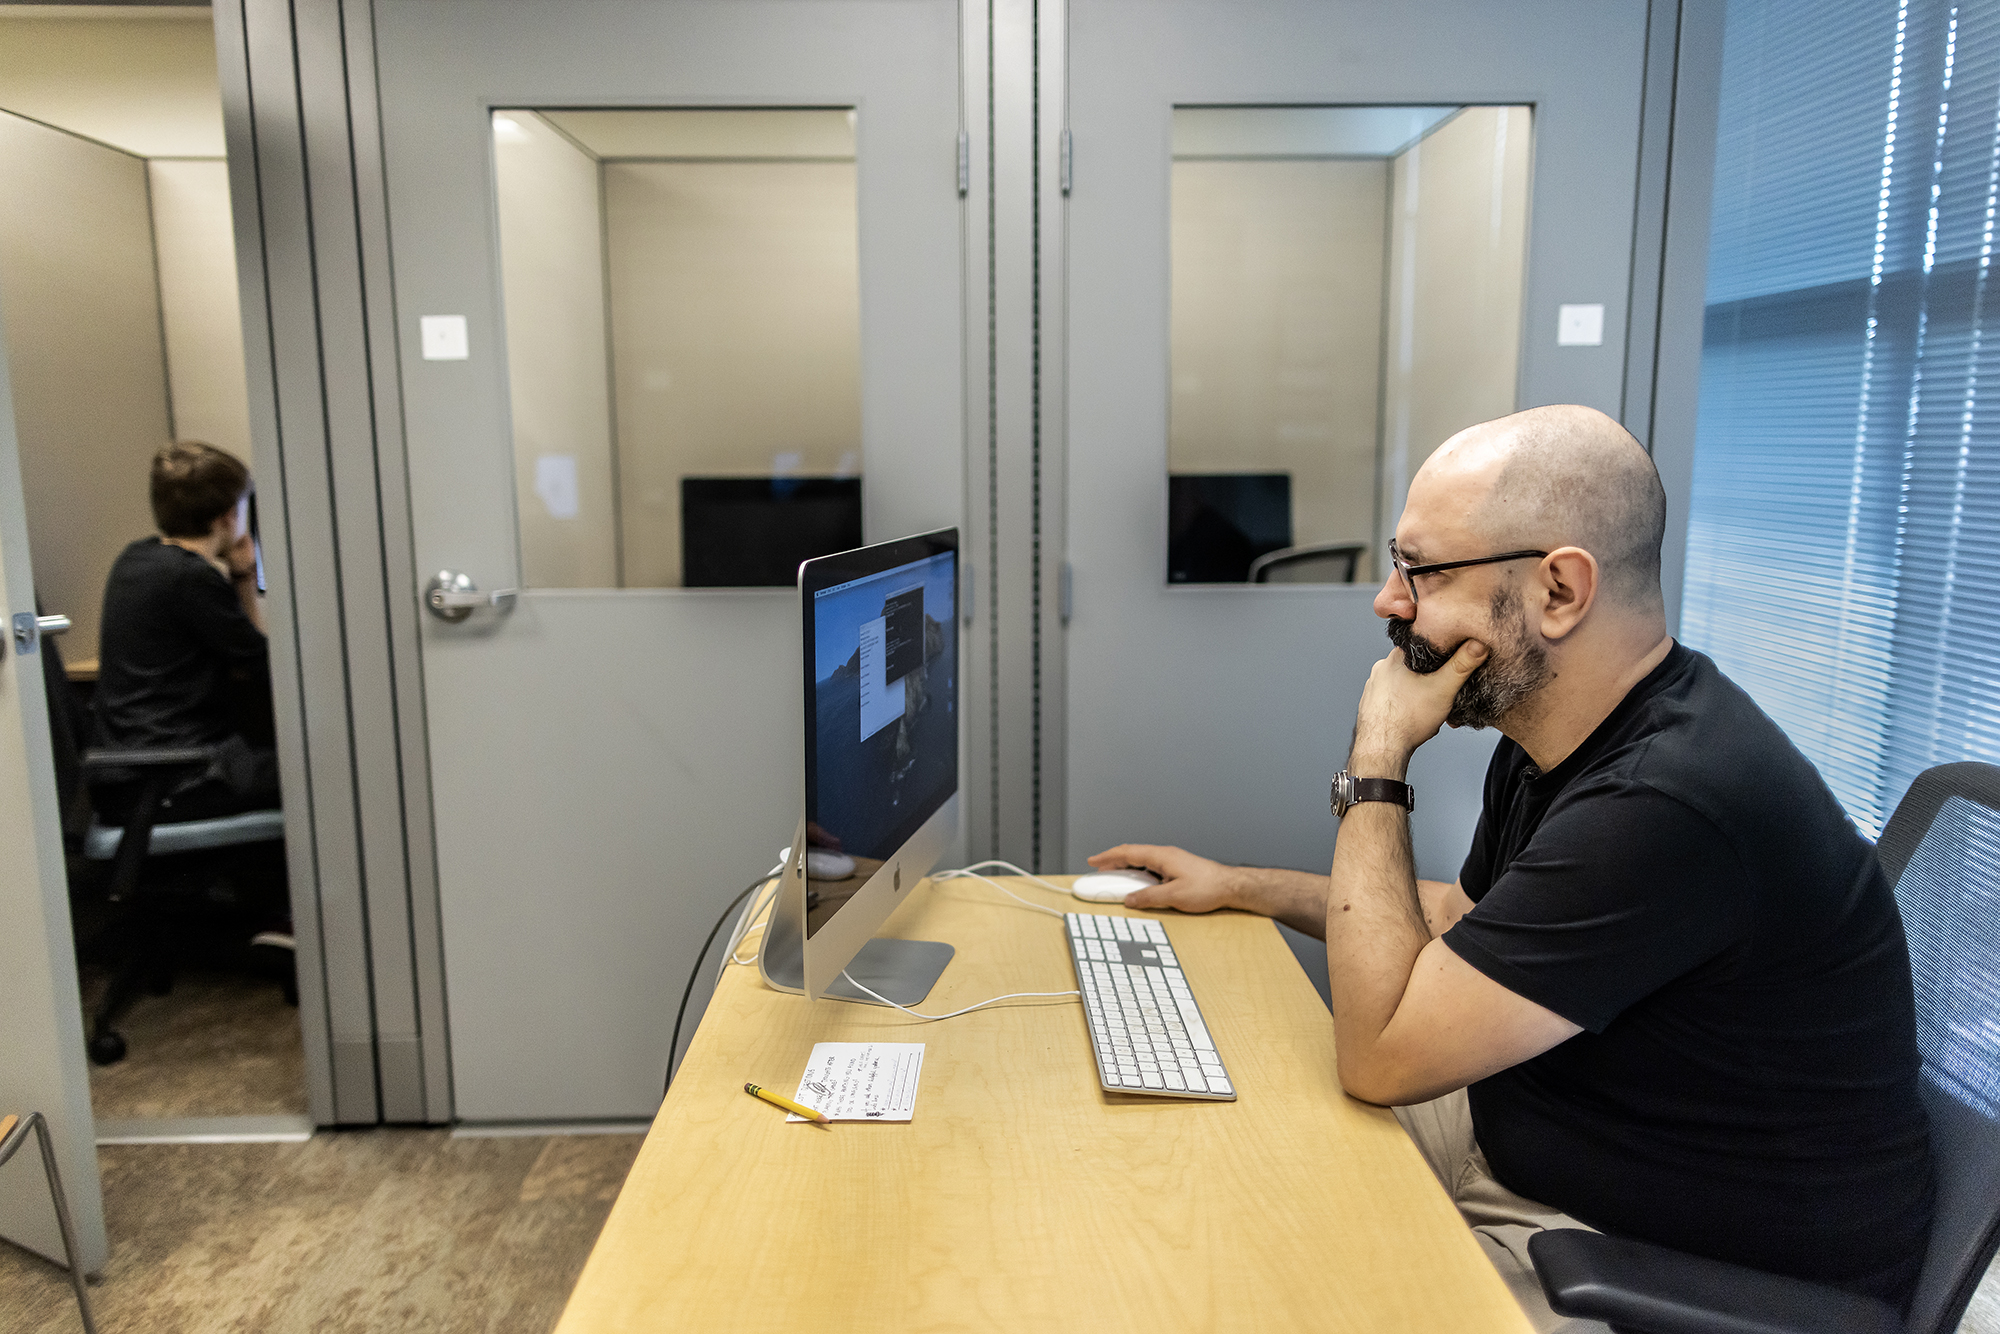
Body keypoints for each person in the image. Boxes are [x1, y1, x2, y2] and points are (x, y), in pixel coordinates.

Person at [1091, 405, 1933, 1331]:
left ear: (1559, 591)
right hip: (1530, 1144)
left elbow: (1382, 1055)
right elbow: (1465, 917)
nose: (1388, 600)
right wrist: (1241, 887)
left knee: (1244, 1292)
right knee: (1224, 1157)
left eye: (1422, 569)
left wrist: (1378, 757)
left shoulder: (1669, 801)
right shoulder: (1559, 738)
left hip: (1652, 1270)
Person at [95, 440, 281, 829]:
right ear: (230, 516)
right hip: (177, 775)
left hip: (134, 773)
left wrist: (242, 574)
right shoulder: (189, 578)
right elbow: (264, 665)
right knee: (327, 777)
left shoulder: (136, 558)